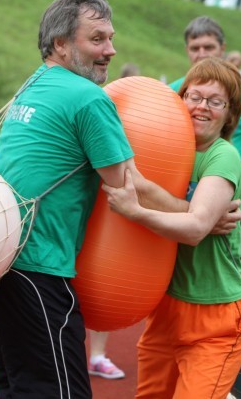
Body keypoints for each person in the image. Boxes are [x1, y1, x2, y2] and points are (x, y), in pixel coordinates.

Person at [0, 0, 226, 398]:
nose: (110, 50)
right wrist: (201, 214)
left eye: (110, 38)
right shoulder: (88, 99)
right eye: (97, 39)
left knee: (18, 390)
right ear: (60, 43)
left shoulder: (33, 84)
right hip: (37, 270)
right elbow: (130, 188)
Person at [103, 57, 241, 398]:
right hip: (166, 308)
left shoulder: (222, 155)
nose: (202, 107)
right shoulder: (170, 149)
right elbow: (190, 214)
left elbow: (195, 228)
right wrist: (195, 213)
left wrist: (136, 211)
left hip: (215, 316)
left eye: (215, 102)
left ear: (230, 114)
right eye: (194, 96)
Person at [169, 16, 241, 285]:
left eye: (208, 47)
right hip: (180, 194)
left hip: (232, 204)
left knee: (235, 278)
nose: (201, 54)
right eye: (195, 48)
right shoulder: (173, 93)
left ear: (222, 48)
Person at [86, 62, 142, 382]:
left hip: (126, 207)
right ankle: (92, 354)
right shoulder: (104, 112)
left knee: (110, 283)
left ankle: (97, 354)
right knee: (95, 281)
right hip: (99, 207)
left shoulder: (151, 120)